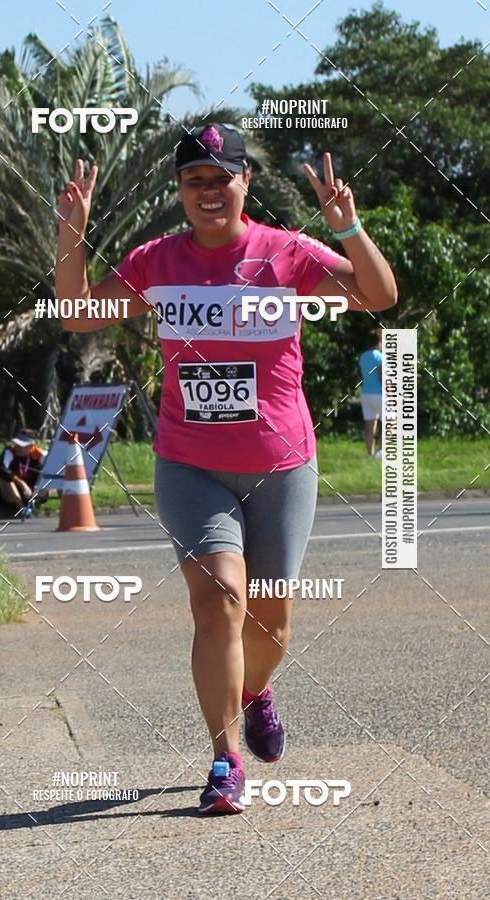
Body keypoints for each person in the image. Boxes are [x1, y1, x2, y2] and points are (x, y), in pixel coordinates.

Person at [56, 124, 397, 814]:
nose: (210, 192)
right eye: (195, 181)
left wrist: (351, 226)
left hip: (282, 463)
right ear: (181, 191)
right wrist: (71, 233)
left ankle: (255, 690)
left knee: (270, 622)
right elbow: (77, 311)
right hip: (191, 462)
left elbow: (379, 295)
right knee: (217, 602)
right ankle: (225, 758)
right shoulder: (158, 262)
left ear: (245, 183)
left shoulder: (287, 253)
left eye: (222, 177)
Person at [0, 429, 48, 517]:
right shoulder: (9, 451)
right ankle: (22, 509)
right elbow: (1, 469)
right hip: (12, 492)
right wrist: (21, 482)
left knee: (49, 475)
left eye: (21, 446)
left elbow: (54, 469)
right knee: (4, 478)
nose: (17, 447)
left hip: (33, 490)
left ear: (31, 446)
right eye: (16, 444)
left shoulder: (40, 454)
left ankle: (35, 505)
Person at [358, 327, 383, 458]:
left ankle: (371, 453)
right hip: (379, 393)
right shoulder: (379, 357)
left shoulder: (363, 357)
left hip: (366, 393)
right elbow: (382, 377)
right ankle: (381, 451)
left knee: (370, 424)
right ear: (379, 341)